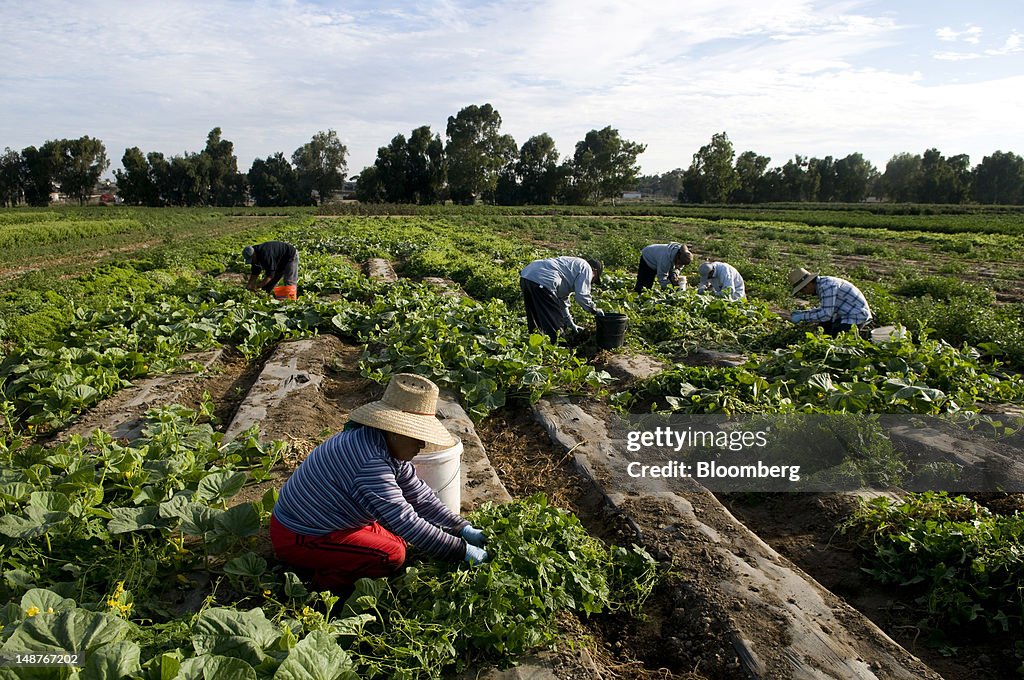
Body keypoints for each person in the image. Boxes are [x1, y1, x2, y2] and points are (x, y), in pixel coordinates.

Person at [270, 373, 489, 589]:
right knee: (392, 555)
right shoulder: (369, 462)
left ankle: (335, 562)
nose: (422, 445)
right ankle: (321, 586)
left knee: (399, 541)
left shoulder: (378, 442)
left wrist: (462, 527)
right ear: (395, 431)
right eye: (417, 437)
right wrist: (461, 551)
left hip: (325, 520)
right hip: (299, 535)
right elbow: (406, 519)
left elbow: (418, 496)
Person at [519, 256, 604, 342]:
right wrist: (594, 310)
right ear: (594, 270)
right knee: (555, 323)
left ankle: (536, 347)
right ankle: (558, 349)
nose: (591, 282)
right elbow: (581, 295)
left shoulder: (570, 269)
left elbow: (562, 302)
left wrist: (571, 324)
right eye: (594, 279)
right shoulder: (586, 267)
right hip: (543, 280)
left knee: (536, 319)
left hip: (527, 276)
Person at [788, 267, 872, 336]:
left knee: (834, 338)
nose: (804, 294)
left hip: (856, 316)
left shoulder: (827, 287)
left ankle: (863, 336)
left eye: (802, 291)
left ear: (808, 285)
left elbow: (826, 315)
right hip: (846, 314)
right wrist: (805, 313)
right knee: (824, 328)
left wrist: (803, 317)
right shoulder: (823, 284)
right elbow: (825, 309)